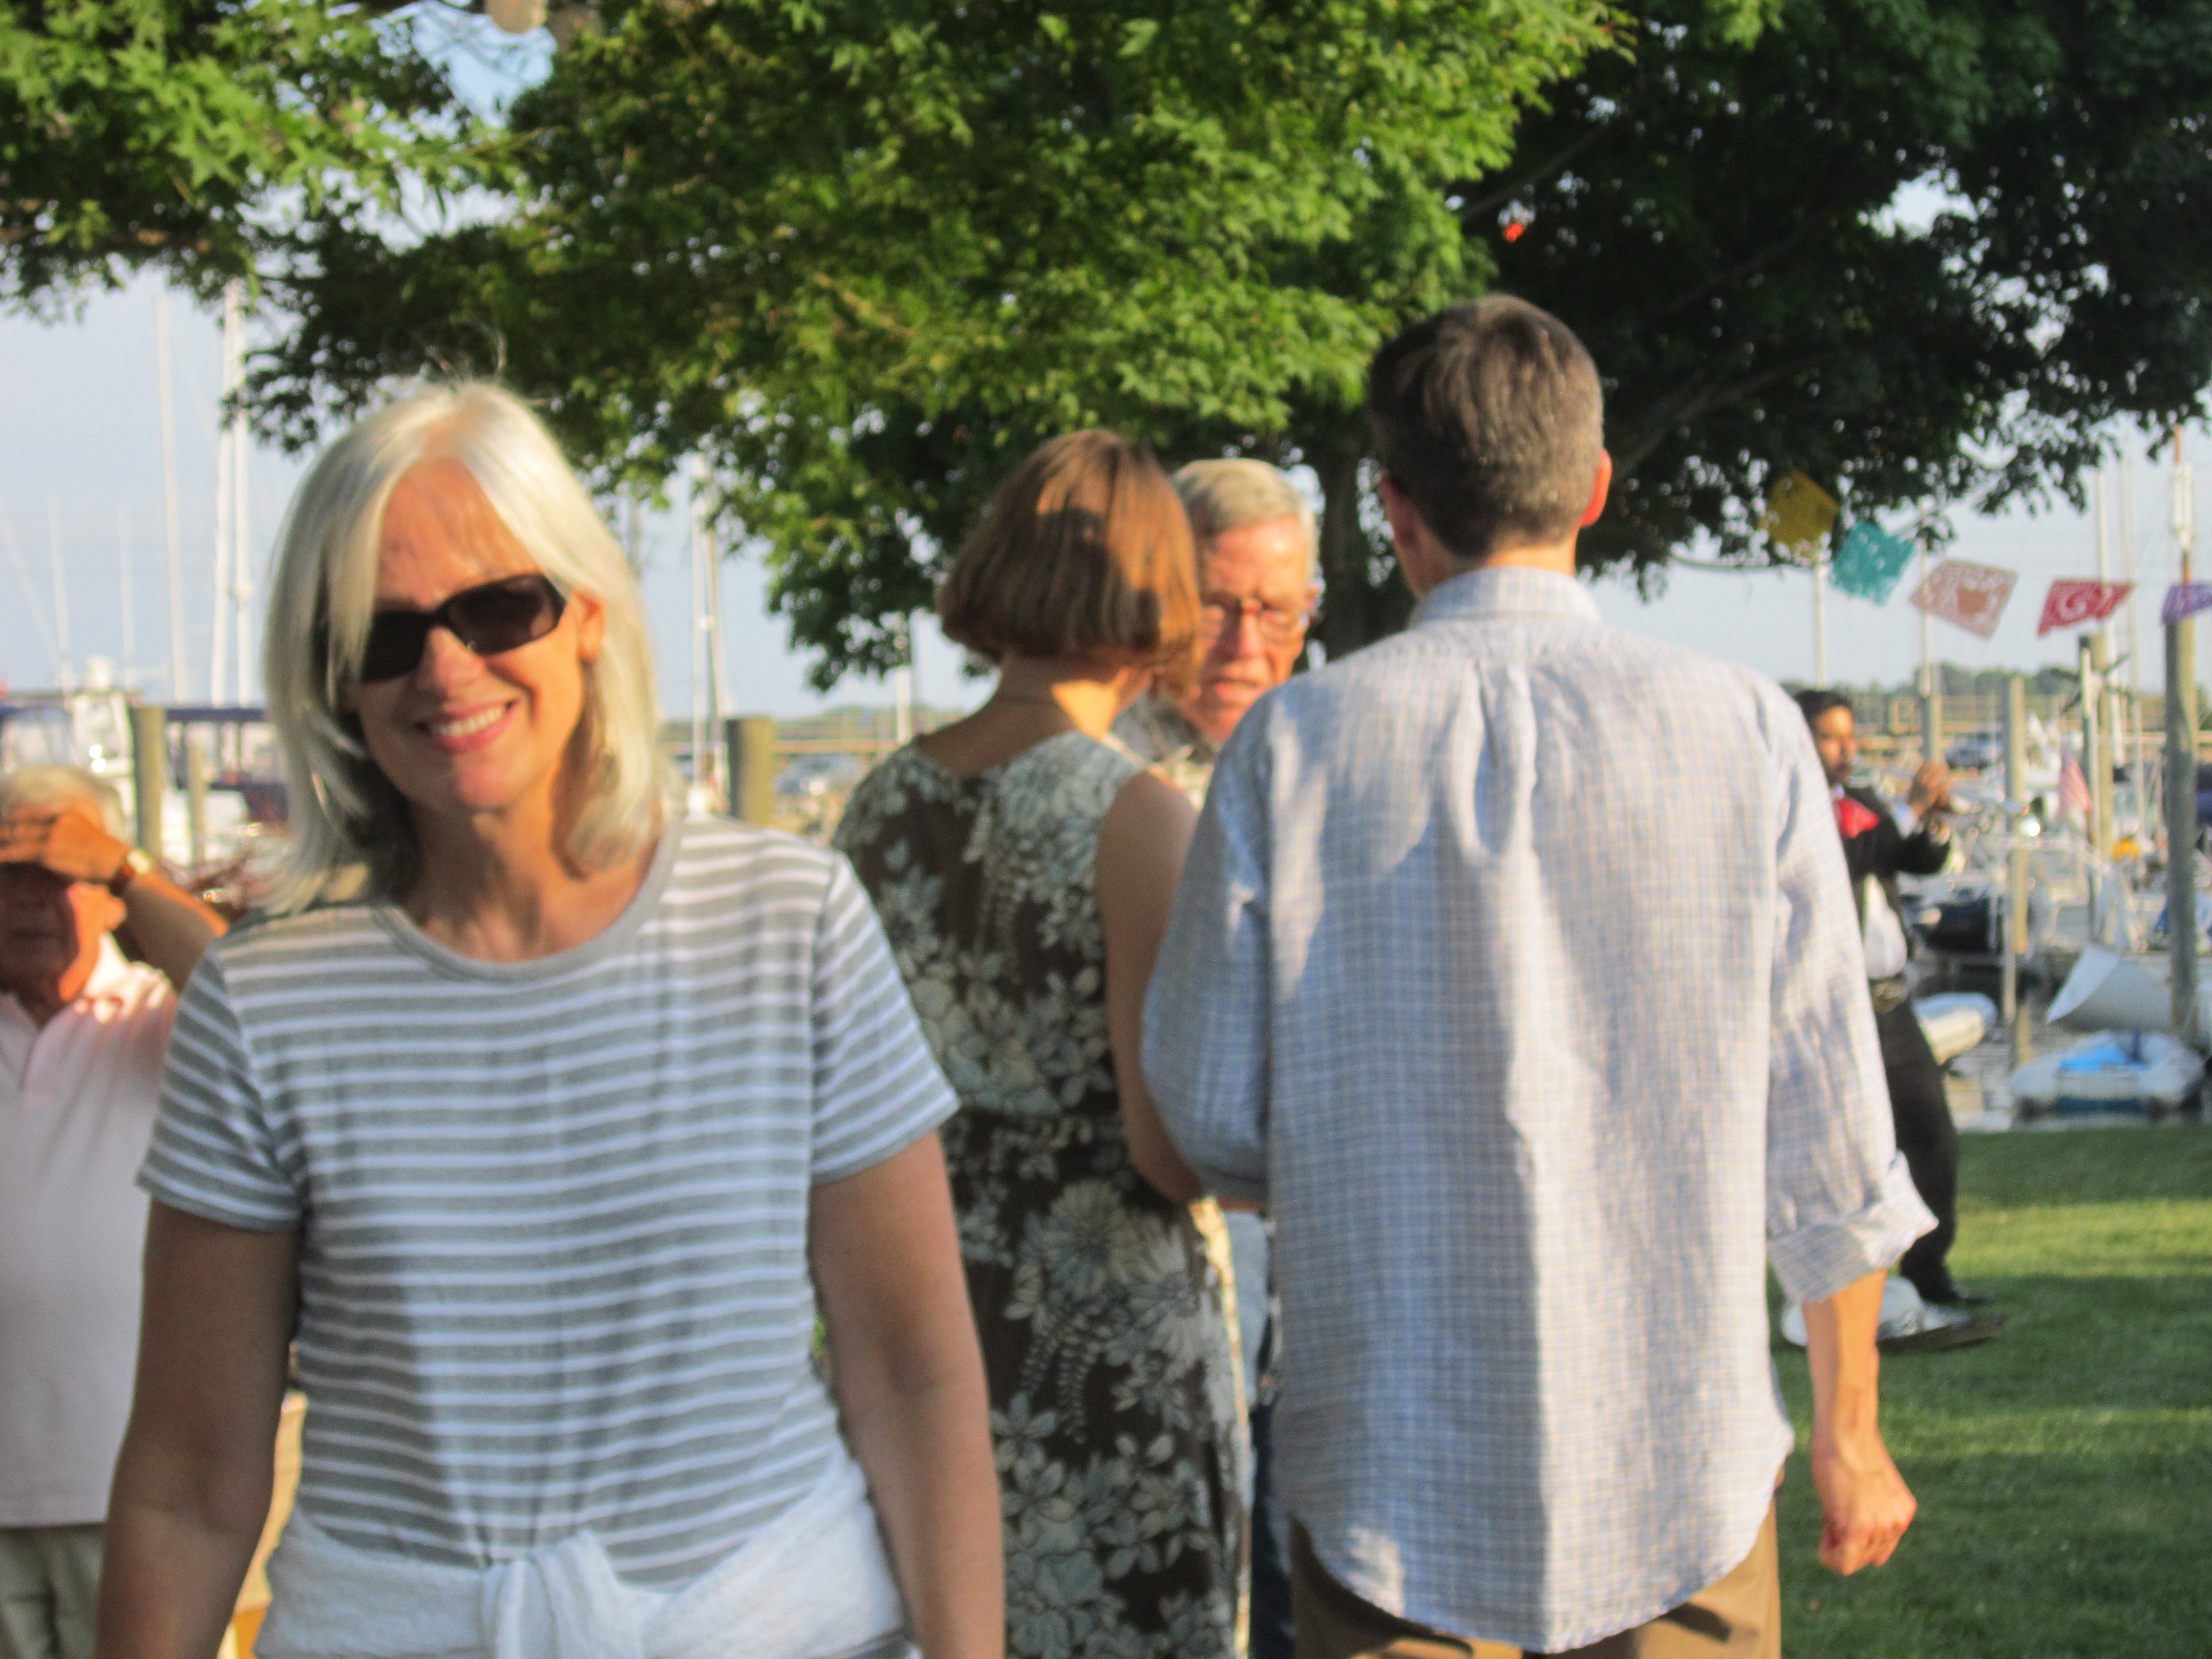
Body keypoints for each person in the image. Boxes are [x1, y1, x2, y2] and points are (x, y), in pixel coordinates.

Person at [99, 383, 1002, 1659]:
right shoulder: (262, 1003)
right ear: (333, 680)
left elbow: (912, 1370)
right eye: (384, 633)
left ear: (587, 615)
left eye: (496, 608)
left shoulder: (787, 921)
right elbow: (190, 1480)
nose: (445, 667)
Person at [1145, 296, 1932, 1659]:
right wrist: (1849, 1431)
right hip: (1680, 1466)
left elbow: (1208, 1114)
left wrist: (1364, 1160)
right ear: (1596, 487)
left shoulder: (1291, 747)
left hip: (1388, 1472)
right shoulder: (1746, 728)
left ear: (1394, 508)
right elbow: (1831, 1133)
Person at [834, 431, 1245, 1659]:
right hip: (1097, 1346)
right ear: (1159, 594)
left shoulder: (880, 803)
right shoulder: (1134, 816)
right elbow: (1168, 1151)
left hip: (915, 1312)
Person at [1112, 456, 1319, 1659]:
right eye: (1218, 605)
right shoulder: (1104, 774)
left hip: (1323, 1250)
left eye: (1276, 610)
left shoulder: (1337, 753)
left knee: (1306, 1573)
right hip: (1169, 1250)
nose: (1246, 643)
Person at [0, 768, 226, 1659]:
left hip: (135, 1503)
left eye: (57, 873)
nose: (29, 898)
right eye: (9, 873)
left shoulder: (164, 1019)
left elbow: (243, 990)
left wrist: (123, 868)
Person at [1794, 690, 1995, 1321]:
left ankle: (1929, 1270)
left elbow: (1916, 858)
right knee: (1846, 1153)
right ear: (1801, 740)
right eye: (1832, 737)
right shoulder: (1795, 809)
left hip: (1892, 1004)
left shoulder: (1864, 803)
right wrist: (1907, 809)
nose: (1848, 749)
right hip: (1837, 1007)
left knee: (1932, 1135)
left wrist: (1933, 819)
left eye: (1851, 736)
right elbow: (1851, 857)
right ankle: (1845, 1287)